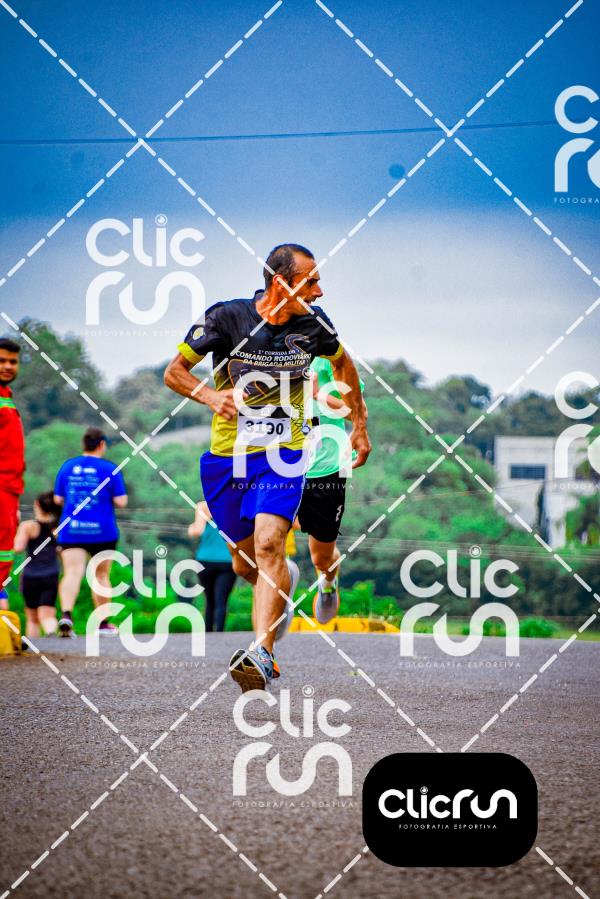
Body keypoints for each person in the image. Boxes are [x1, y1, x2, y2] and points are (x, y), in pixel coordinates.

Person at [165, 243, 370, 692]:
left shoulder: (315, 325)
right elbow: (174, 372)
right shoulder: (226, 318)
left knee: (270, 543)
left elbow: (344, 364)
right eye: (311, 282)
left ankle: (263, 654)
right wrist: (210, 396)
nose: (319, 291)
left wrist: (359, 424)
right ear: (281, 283)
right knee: (245, 565)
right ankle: (282, 589)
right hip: (229, 458)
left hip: (285, 453)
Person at [297, 357, 366, 623]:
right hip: (283, 467)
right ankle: (277, 597)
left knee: (321, 558)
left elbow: (357, 412)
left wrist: (318, 394)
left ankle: (327, 582)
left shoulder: (328, 361)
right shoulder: (268, 354)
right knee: (267, 538)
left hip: (326, 470)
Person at [54, 427, 128, 637]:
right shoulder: (110, 468)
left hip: (72, 529)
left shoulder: (68, 466)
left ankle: (66, 616)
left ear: (84, 444)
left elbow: (58, 499)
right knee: (101, 575)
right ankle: (102, 623)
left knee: (72, 573)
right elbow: (121, 501)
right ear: (102, 444)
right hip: (102, 532)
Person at [13, 491, 61, 638]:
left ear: (37, 505)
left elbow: (18, 547)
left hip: (30, 575)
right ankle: (51, 633)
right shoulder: (58, 527)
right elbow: (62, 551)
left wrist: (15, 525)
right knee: (48, 613)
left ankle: (35, 646)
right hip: (51, 574)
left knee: (32, 617)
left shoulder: (28, 526)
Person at [0, 337, 25, 611]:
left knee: (4, 548)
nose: (8, 366)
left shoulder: (6, 395)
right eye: (2, 361)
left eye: (13, 362)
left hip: (10, 487)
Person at [188, 501, 237, 632]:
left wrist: (191, 528)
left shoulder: (203, 506)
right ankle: (219, 632)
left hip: (205, 559)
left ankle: (208, 633)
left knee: (209, 599)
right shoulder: (233, 503)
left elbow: (197, 531)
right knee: (222, 600)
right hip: (228, 560)